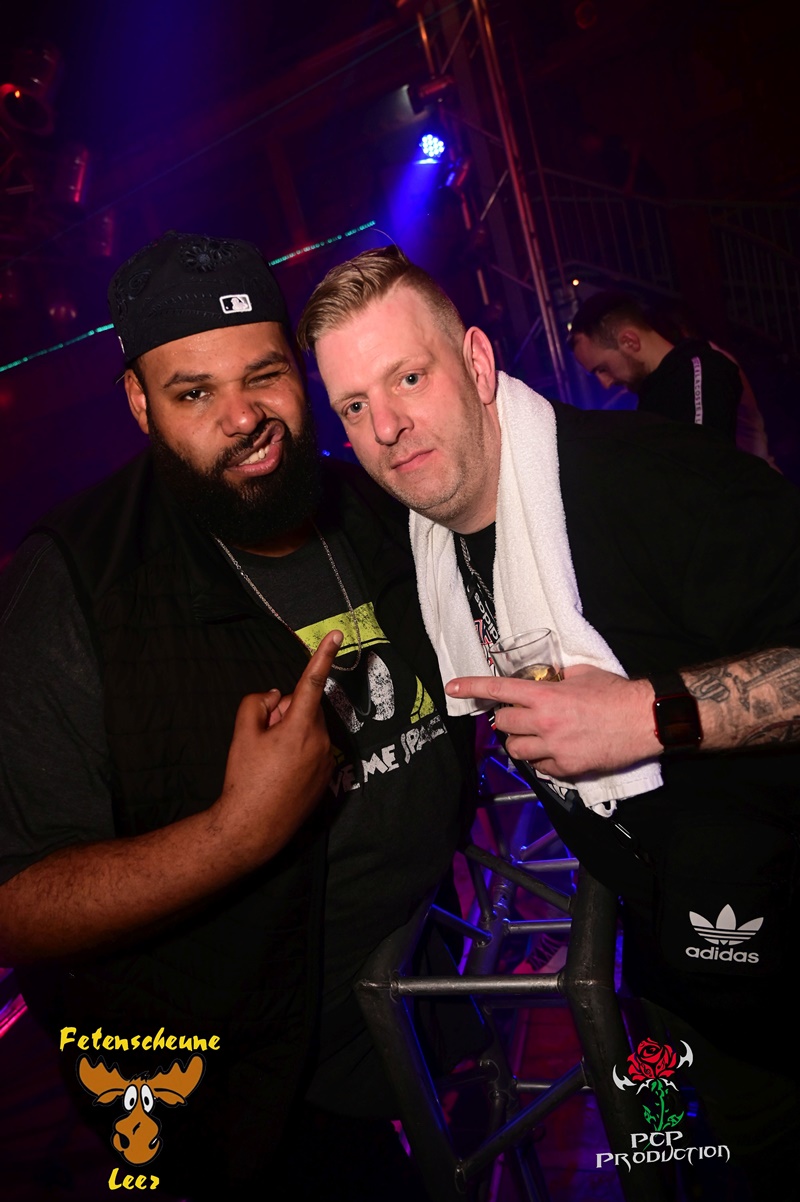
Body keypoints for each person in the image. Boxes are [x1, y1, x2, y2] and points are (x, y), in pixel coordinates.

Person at [297, 246, 800, 1198]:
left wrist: (646, 713)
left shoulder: (650, 480)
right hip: (684, 969)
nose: (388, 425)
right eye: (355, 406)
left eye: (409, 378)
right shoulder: (429, 554)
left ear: (478, 364)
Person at [0, 233, 475, 1200]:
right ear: (140, 403)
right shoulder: (77, 585)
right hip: (260, 1092)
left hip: (432, 991)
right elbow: (19, 908)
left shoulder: (369, 501)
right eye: (193, 394)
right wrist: (237, 833)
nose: (244, 417)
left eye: (264, 377)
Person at [568, 289, 742, 443]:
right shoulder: (651, 394)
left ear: (629, 342)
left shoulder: (702, 370)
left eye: (602, 369)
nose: (605, 384)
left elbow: (701, 460)